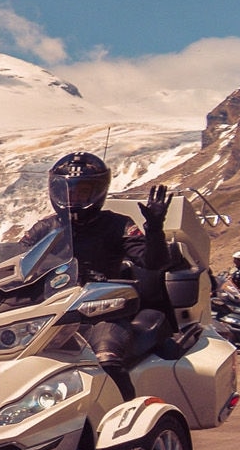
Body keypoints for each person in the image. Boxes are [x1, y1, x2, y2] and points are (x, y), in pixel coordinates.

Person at [20, 152, 171, 400]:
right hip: (50, 313)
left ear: (98, 191)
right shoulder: (44, 228)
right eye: (67, 190)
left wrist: (154, 229)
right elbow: (15, 260)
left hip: (102, 313)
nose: (73, 196)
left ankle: (126, 416)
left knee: (106, 359)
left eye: (82, 191)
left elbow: (154, 262)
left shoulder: (118, 225)